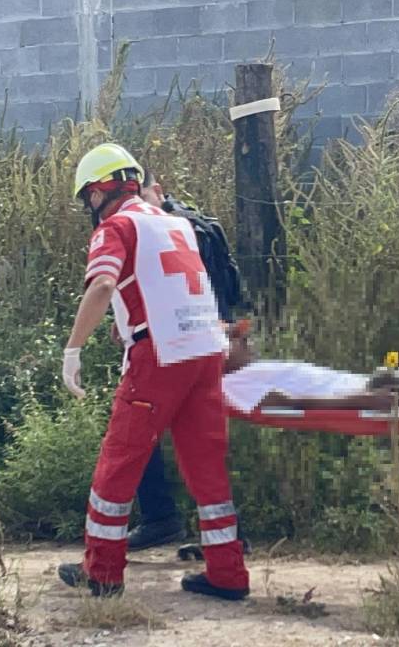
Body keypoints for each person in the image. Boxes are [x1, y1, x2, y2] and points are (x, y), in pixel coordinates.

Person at [56, 143, 249, 600]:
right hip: (206, 352)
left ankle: (101, 571)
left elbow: (103, 283)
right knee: (206, 468)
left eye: (88, 197)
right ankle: (228, 574)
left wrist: (73, 349)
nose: (89, 207)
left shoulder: (115, 228)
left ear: (102, 191)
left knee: (119, 463)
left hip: (158, 356)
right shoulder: (177, 224)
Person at [125, 172, 246, 552]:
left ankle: (177, 525)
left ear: (157, 191)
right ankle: (192, 530)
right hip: (197, 343)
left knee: (175, 439)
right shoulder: (184, 226)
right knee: (188, 442)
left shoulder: (175, 229)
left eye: (141, 196)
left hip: (191, 346)